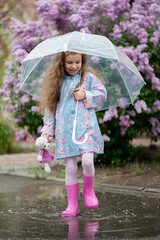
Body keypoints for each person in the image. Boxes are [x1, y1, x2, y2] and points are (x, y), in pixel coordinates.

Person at [39, 51, 107, 217]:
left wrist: (86, 94)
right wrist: (48, 132)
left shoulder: (88, 78)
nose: (74, 66)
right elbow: (50, 109)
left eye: (78, 62)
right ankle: (72, 205)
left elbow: (102, 94)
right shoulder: (58, 82)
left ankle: (88, 191)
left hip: (86, 128)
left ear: (82, 61)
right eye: (70, 62)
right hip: (65, 131)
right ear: (62, 62)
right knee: (70, 168)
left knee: (87, 161)